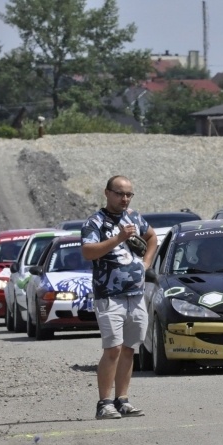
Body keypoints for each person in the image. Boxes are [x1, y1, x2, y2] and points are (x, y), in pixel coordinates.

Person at [81, 175, 157, 420]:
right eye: (119, 193)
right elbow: (88, 252)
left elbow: (152, 237)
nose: (124, 199)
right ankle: (104, 403)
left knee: (129, 349)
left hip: (135, 294)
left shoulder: (134, 216)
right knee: (112, 349)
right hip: (109, 295)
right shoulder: (95, 222)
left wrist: (145, 264)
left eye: (129, 194)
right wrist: (118, 238)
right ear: (107, 193)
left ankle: (122, 399)